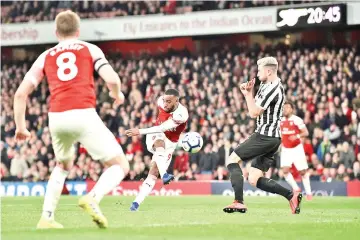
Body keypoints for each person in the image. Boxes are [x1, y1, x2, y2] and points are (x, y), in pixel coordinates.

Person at [13, 10, 129, 229]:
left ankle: (46, 217)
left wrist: (21, 127)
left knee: (63, 165)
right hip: (83, 113)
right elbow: (112, 79)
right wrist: (117, 94)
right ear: (78, 31)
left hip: (56, 118)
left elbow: (20, 94)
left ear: (56, 33)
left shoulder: (46, 56)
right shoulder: (89, 49)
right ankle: (92, 197)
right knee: (120, 165)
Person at [223, 57, 302, 214]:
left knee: (232, 159)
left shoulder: (274, 89)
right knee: (254, 179)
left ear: (268, 71)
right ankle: (291, 195)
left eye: (259, 70)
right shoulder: (265, 85)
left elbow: (254, 112)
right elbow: (254, 109)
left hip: (265, 135)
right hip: (272, 138)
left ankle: (238, 201)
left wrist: (247, 95)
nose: (257, 73)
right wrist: (248, 93)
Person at [125, 88, 188, 211]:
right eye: (164, 100)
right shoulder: (160, 102)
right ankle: (165, 174)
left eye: (169, 102)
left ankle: (136, 203)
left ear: (177, 101)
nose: (165, 104)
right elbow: (159, 126)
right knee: (159, 144)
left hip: (170, 142)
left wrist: (139, 131)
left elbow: (163, 128)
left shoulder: (182, 114)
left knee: (153, 173)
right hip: (156, 135)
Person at [280, 101, 312, 200]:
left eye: (287, 107)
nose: (285, 109)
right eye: (284, 108)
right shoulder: (280, 120)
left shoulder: (297, 120)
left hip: (297, 149)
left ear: (291, 109)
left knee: (302, 172)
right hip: (286, 149)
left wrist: (297, 136)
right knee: (285, 171)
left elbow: (306, 132)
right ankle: (296, 188)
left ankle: (309, 193)